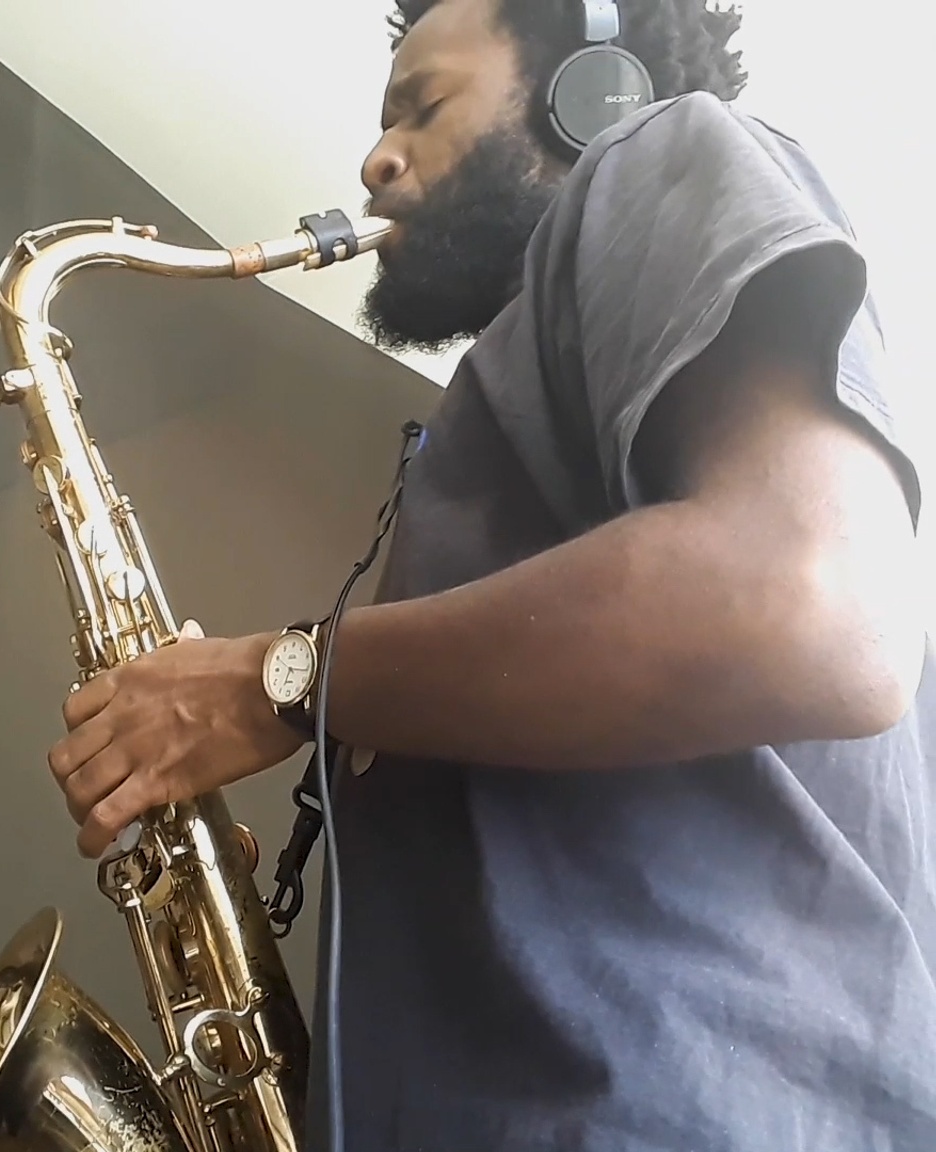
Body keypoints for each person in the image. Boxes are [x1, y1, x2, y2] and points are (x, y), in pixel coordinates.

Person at [46, 1, 934, 1148]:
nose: (372, 160)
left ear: (593, 93)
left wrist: (277, 679)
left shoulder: (665, 149)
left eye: (421, 108)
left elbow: (807, 606)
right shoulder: (514, 423)